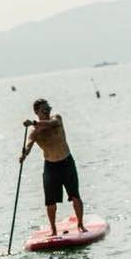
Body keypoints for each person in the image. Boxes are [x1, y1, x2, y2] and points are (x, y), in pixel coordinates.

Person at [20, 98, 86, 234]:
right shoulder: (34, 132)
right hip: (51, 167)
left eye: (49, 108)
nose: (48, 111)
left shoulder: (56, 119)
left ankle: (80, 224)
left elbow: (52, 123)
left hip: (67, 162)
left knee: (75, 196)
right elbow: (29, 144)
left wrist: (34, 122)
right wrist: (24, 155)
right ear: (37, 112)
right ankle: (53, 229)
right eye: (44, 110)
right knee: (50, 202)